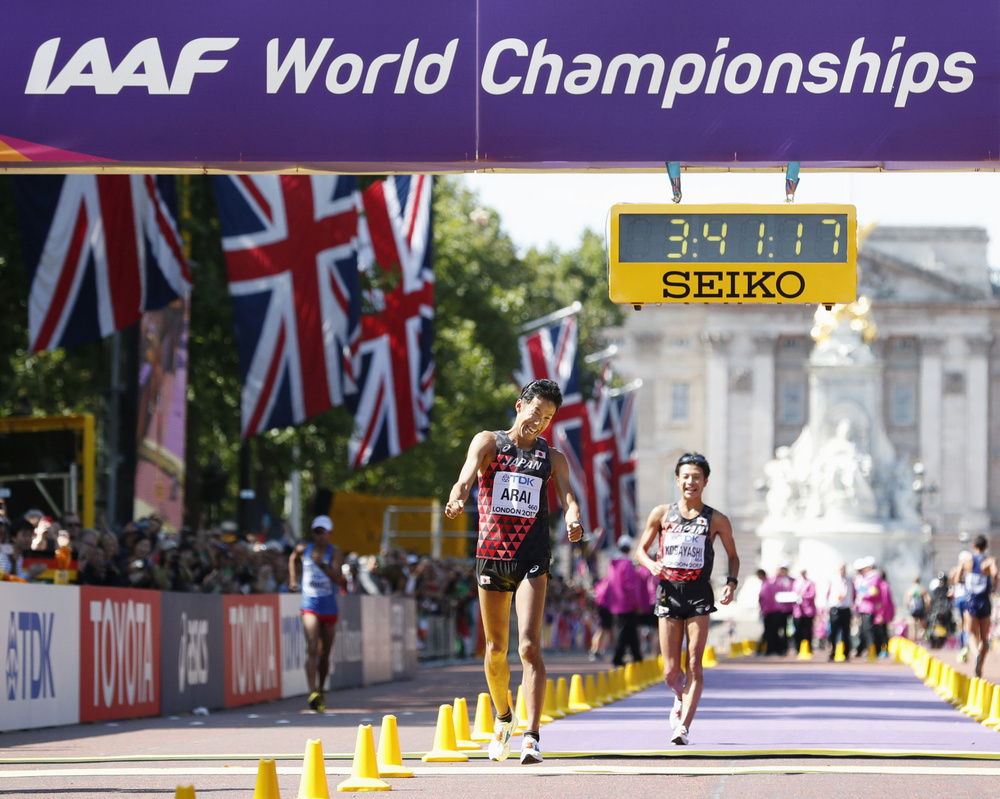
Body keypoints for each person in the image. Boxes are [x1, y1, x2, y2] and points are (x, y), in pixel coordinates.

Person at [444, 379, 584, 765]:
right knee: (495, 649)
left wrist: (574, 519)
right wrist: (457, 499)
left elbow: (569, 497)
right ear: (519, 405)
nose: (539, 423)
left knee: (528, 646)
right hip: (491, 555)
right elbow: (466, 477)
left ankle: (532, 736)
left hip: (532, 557)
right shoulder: (489, 441)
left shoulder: (551, 457)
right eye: (536, 413)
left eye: (548, 418)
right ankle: (504, 717)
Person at [634, 452, 739, 746]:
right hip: (668, 591)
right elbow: (641, 550)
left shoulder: (716, 519)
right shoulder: (661, 514)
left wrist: (731, 582)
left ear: (705, 482)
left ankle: (684, 727)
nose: (690, 481)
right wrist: (649, 563)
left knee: (694, 663)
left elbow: (733, 557)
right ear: (678, 480)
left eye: (696, 477)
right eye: (686, 476)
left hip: (698, 593)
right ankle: (679, 697)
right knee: (670, 671)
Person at [288, 515, 345, 713]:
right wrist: (293, 579)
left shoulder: (335, 552)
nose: (320, 536)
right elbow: (293, 557)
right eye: (316, 532)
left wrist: (321, 565)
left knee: (325, 653)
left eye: (323, 532)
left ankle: (321, 689)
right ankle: (312, 692)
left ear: (330, 533)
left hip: (329, 607)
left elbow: (339, 579)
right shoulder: (305, 549)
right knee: (313, 646)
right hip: (309, 604)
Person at [955, 535, 997, 678]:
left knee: (971, 632)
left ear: (973, 545)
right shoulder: (990, 561)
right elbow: (996, 573)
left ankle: (976, 654)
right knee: (984, 637)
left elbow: (957, 577)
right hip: (984, 600)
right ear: (986, 546)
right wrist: (994, 587)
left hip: (970, 600)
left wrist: (963, 581)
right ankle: (980, 664)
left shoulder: (966, 561)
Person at [605, 535, 645, 668]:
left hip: (616, 602)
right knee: (624, 630)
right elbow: (631, 586)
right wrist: (637, 603)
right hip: (627, 604)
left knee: (630, 630)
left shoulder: (613, 564)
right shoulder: (626, 564)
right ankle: (618, 657)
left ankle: (636, 656)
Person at [826, 562, 854, 660]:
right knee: (833, 632)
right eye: (840, 568)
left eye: (844, 568)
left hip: (846, 609)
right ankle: (832, 652)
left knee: (846, 632)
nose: (842, 571)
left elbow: (853, 594)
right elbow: (828, 594)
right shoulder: (833, 580)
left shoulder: (850, 580)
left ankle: (846, 654)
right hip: (835, 608)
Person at [792, 568, 817, 656]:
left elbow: (812, 594)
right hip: (798, 611)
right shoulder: (795, 583)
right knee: (797, 630)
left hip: (808, 611)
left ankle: (808, 649)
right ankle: (798, 649)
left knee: (807, 631)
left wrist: (802, 597)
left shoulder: (810, 583)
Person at [905, 575, 930, 641]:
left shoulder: (910, 590)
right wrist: (927, 609)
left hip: (913, 610)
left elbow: (906, 602)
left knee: (912, 627)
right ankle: (921, 638)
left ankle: (912, 641)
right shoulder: (922, 589)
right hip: (921, 609)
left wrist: (908, 607)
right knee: (923, 627)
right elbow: (928, 600)